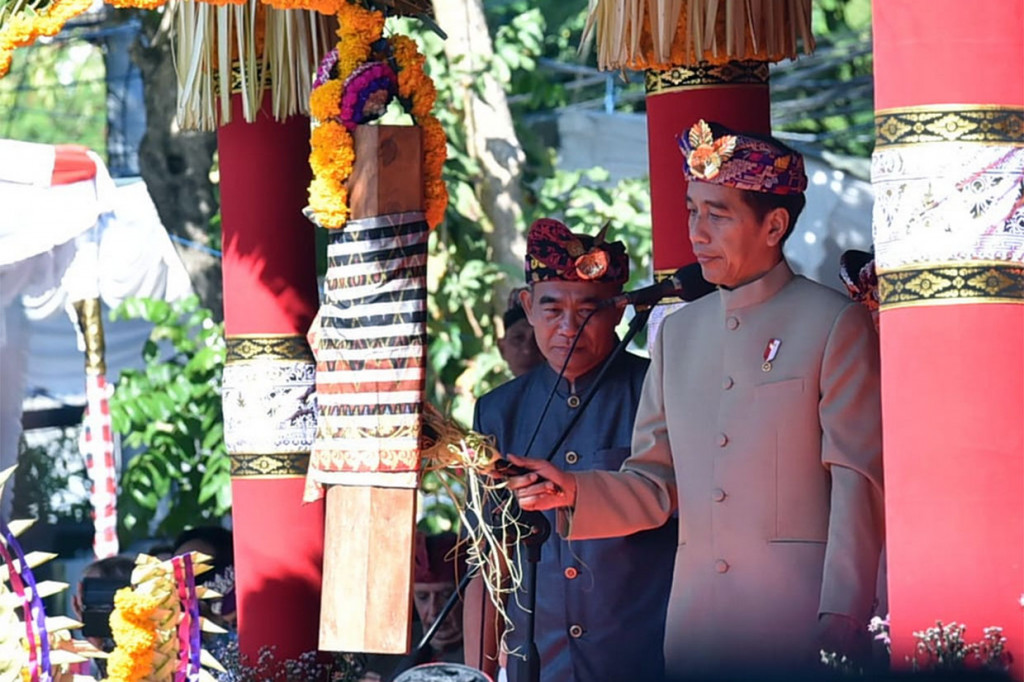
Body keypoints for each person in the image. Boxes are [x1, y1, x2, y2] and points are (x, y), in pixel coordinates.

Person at [508, 121, 885, 680]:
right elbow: (654, 482)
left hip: (800, 625)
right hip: (694, 631)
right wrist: (573, 492)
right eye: (691, 211)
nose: (697, 233)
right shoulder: (677, 334)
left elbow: (858, 481)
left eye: (718, 214)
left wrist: (843, 615)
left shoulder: (834, 322)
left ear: (774, 225)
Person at [465, 218, 677, 682]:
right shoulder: (498, 412)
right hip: (539, 665)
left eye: (588, 311)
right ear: (527, 306)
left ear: (619, 313)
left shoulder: (659, 396)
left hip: (644, 660)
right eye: (552, 309)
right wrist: (475, 674)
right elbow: (488, 561)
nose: (569, 328)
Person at [497, 288, 543, 378]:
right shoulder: (504, 392)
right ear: (502, 348)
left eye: (538, 339)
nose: (528, 351)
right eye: (518, 338)